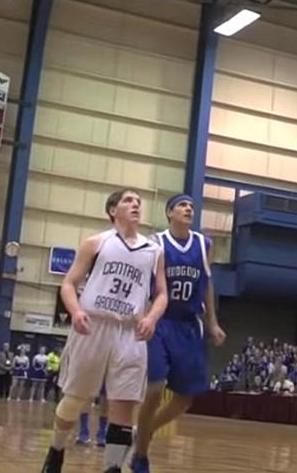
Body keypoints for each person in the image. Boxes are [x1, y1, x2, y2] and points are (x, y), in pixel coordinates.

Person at [40, 188, 167, 473]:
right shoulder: (95, 243)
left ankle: (112, 468)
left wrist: (152, 318)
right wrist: (76, 311)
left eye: (138, 202)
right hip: (93, 326)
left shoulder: (154, 251)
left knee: (123, 406)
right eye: (128, 201)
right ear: (113, 210)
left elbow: (161, 294)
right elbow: (69, 283)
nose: (135, 205)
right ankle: (56, 450)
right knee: (75, 399)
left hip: (130, 331)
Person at [130, 193, 226, 473]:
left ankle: (142, 433)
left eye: (192, 206)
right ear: (170, 213)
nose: (189, 209)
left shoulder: (204, 244)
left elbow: (206, 285)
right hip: (161, 321)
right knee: (155, 389)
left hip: (188, 324)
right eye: (183, 205)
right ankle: (141, 456)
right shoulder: (156, 243)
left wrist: (213, 322)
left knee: (185, 399)